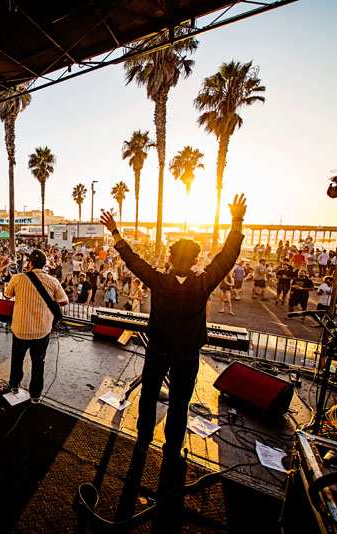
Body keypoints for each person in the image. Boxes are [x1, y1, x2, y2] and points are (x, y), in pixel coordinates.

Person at [100, 194, 247, 530]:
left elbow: (133, 261)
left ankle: (141, 437)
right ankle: (172, 447)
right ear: (195, 260)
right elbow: (227, 257)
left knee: (150, 392)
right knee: (180, 402)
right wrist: (236, 223)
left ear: (169, 259)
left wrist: (116, 233)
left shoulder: (160, 281)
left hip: (158, 350)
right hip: (187, 354)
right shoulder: (202, 282)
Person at [3, 249, 68, 403]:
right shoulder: (53, 281)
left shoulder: (18, 278)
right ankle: (36, 396)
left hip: (20, 330)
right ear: (44, 265)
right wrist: (48, 305)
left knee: (17, 359)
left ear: (30, 263)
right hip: (42, 331)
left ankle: (14, 386)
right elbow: (65, 301)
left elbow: (7, 295)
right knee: (39, 363)